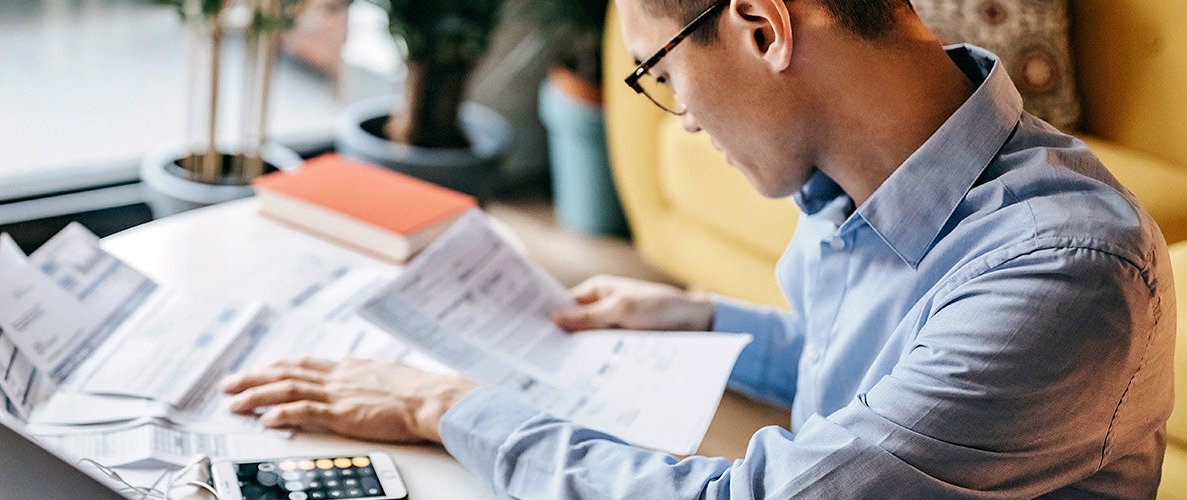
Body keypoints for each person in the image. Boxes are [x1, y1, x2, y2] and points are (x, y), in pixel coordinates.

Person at [220, 0, 1176, 496]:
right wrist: (702, 319)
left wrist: (450, 407)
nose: (677, 118)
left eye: (663, 70)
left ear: (763, 26)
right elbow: (895, 379)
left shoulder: (1062, 272)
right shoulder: (873, 185)